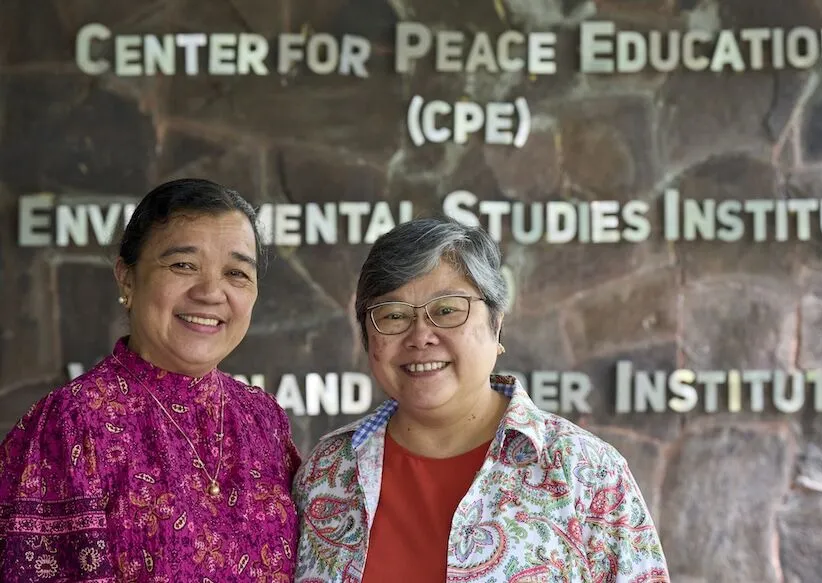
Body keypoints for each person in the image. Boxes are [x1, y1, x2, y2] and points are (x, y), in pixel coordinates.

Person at [292, 216, 669, 582]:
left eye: (446, 310)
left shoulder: (587, 472)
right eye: (393, 316)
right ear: (368, 337)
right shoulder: (328, 471)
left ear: (496, 323)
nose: (420, 336)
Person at [0, 178, 300, 581]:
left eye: (236, 273)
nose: (211, 292)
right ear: (127, 278)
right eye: (183, 265)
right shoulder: (73, 421)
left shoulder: (263, 418)